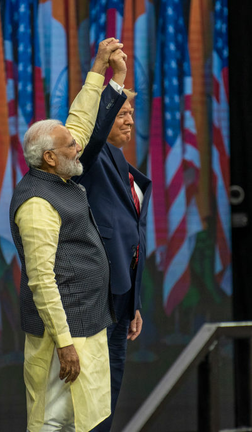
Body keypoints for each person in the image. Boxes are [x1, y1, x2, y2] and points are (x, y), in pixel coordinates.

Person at [9, 39, 128, 432]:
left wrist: (100, 69)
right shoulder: (37, 204)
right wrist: (63, 343)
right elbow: (42, 280)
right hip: (64, 338)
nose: (79, 145)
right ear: (49, 157)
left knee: (87, 422)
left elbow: (79, 119)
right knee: (53, 423)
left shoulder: (59, 169)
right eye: (70, 145)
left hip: (87, 326)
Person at [74, 82, 151, 432]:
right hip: (98, 294)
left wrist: (134, 301)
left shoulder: (119, 160)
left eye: (132, 114)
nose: (130, 121)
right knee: (91, 394)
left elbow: (130, 235)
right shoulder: (91, 156)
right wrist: (114, 82)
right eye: (122, 114)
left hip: (121, 296)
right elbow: (93, 128)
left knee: (109, 391)